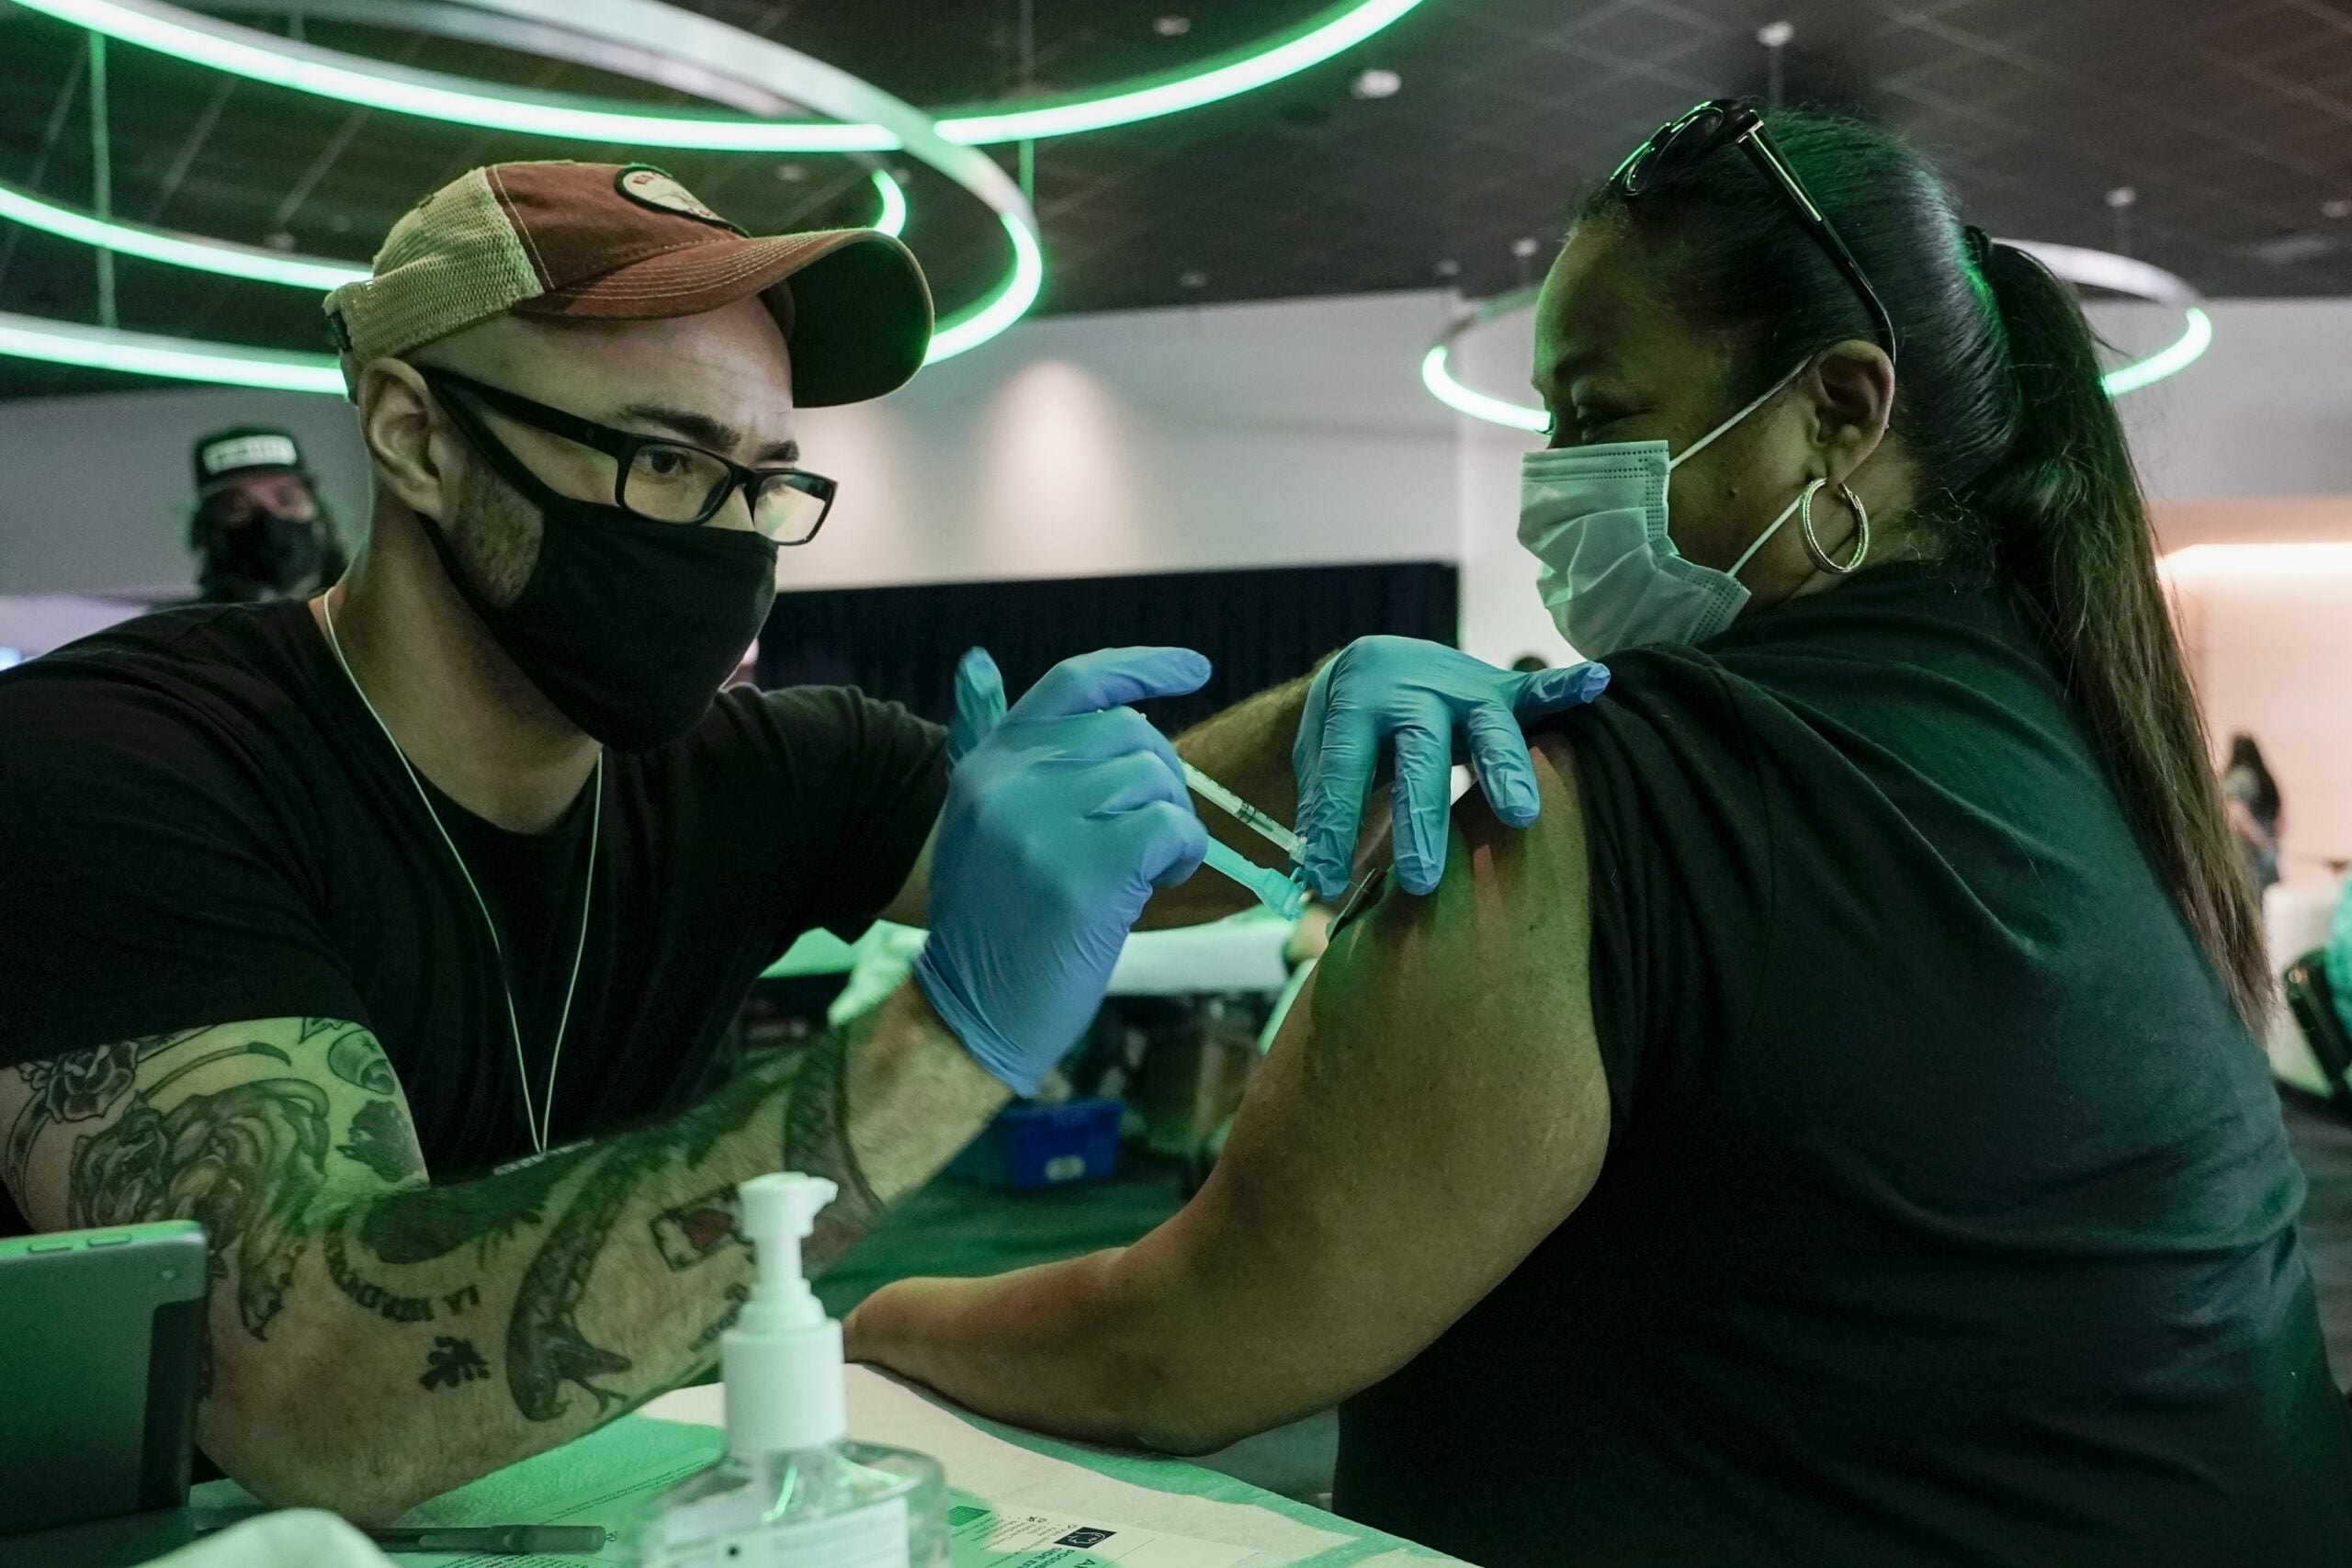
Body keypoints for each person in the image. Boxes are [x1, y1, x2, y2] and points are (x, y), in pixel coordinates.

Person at [844, 101, 2352, 1565]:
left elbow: (1181, 1343)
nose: (1548, 486)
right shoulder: (2088, 750)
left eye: (1597, 414)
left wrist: (865, 1323)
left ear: (1838, 410)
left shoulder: (1597, 797)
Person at [0, 160, 1598, 1521]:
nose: (727, 533)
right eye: (666, 460)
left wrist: (1328, 721)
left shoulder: (758, 769)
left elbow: (1147, 848)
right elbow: (306, 1394)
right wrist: (938, 1046)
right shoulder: (121, 768)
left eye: (766, 478)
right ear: (415, 435)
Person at [187, 426, 349, 603]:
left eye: (287, 498)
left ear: (319, 515)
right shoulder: (185, 629)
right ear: (209, 530)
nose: (269, 520)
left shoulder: (374, 614)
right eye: (237, 506)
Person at [2222, 731, 2284, 892]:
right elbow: (2280, 818)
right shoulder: (2264, 777)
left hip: (2250, 850)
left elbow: (2237, 813)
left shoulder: (2239, 777)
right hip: (2268, 848)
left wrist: (2257, 838)